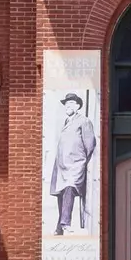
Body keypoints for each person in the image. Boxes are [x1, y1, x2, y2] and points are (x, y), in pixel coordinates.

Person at [48, 93, 96, 235]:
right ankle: (59, 226)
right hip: (61, 165)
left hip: (75, 164)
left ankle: (65, 224)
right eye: (66, 104)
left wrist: (82, 160)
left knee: (69, 188)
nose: (68, 107)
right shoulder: (66, 122)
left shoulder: (84, 121)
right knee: (60, 193)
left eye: (71, 104)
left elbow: (90, 144)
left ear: (77, 106)